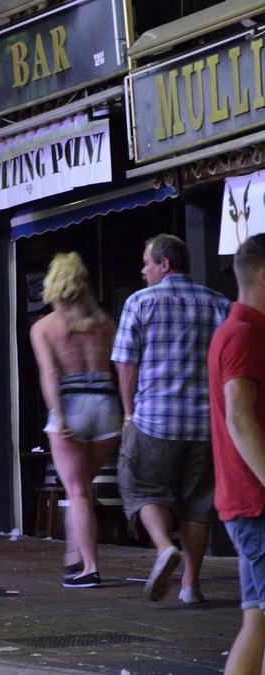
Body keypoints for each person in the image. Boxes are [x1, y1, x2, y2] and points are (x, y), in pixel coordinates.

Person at [112, 234, 229, 603]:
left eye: (147, 262)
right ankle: (191, 586)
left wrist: (129, 412)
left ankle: (164, 548)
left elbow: (126, 361)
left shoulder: (139, 303)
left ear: (165, 264)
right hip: (205, 425)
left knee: (140, 487)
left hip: (154, 422)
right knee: (198, 505)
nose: (142, 270)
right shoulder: (219, 304)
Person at [29, 253, 120, 588]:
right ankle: (72, 554)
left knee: (77, 491)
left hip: (72, 404)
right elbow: (119, 366)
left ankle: (89, 568)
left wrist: (58, 413)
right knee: (81, 487)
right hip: (107, 406)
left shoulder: (43, 328)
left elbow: (50, 373)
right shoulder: (106, 324)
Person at [208, 235, 265, 674]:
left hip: (246, 502)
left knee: (257, 622)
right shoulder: (243, 336)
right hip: (258, 503)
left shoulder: (238, 332)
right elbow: (240, 419)